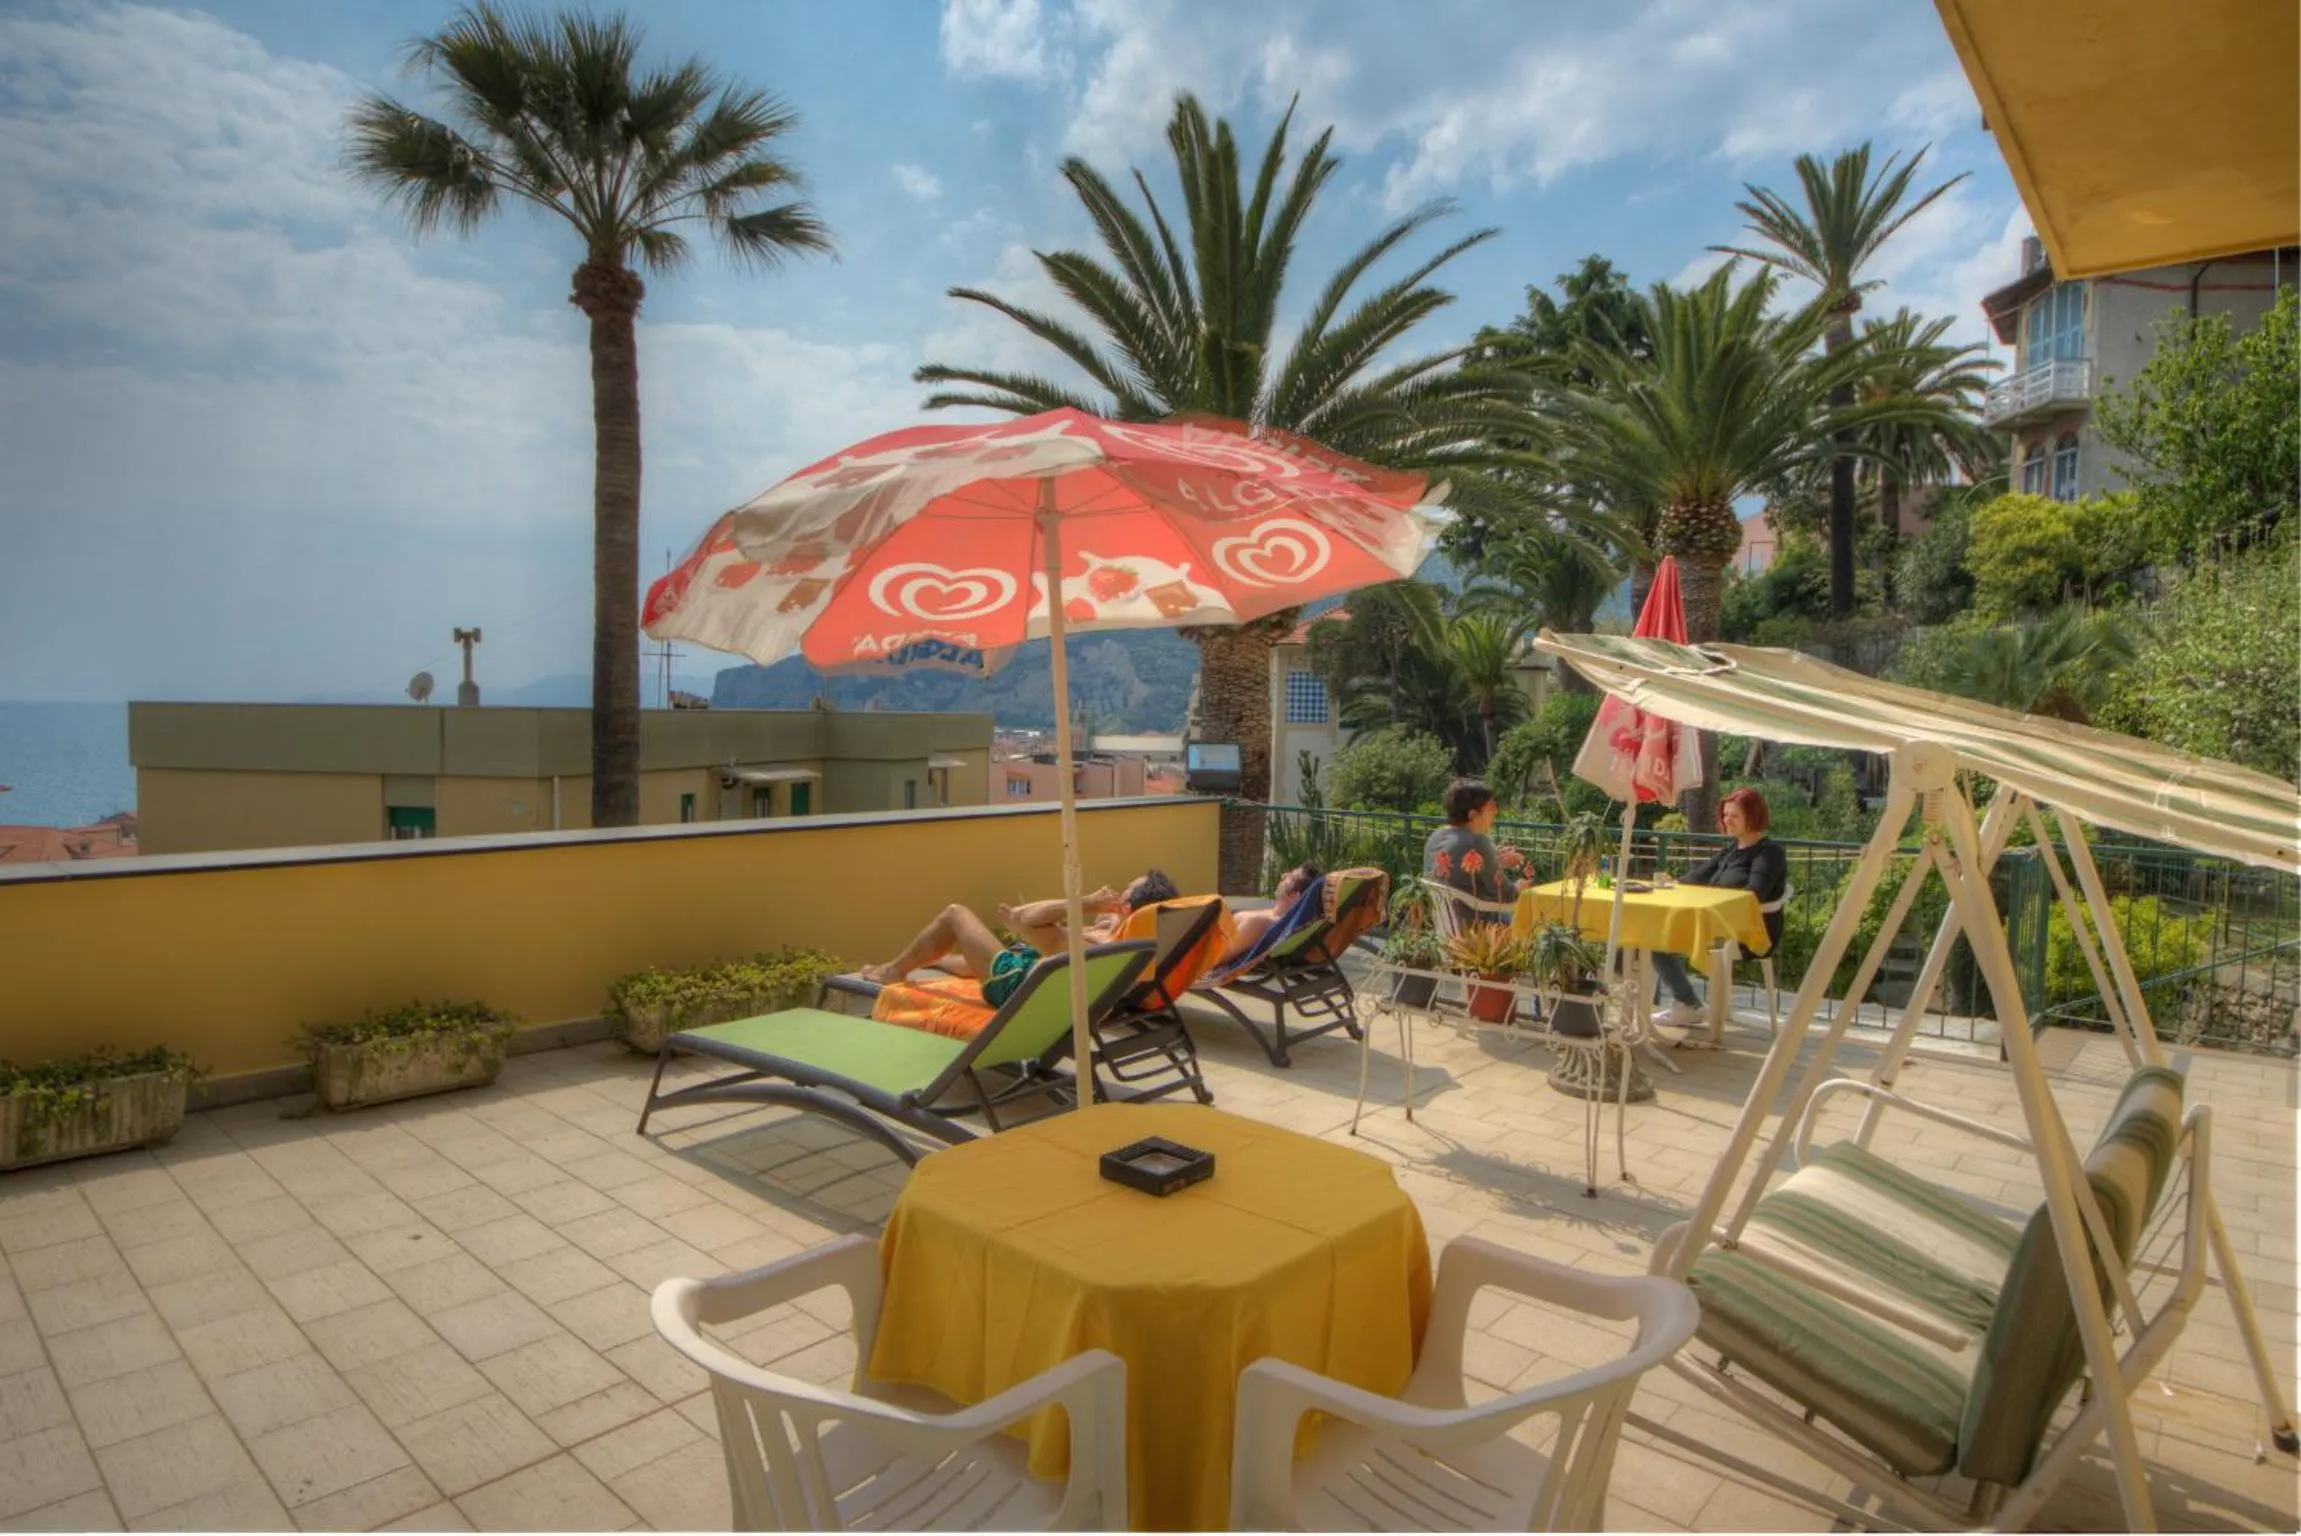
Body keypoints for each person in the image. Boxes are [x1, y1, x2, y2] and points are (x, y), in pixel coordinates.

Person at [860, 869, 1182, 1007]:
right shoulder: (1133, 945)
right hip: (1036, 975)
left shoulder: (1099, 948)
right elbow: (1023, 919)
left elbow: (1027, 919)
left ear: (1128, 906)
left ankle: (893, 972)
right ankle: (929, 958)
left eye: (1126, 888)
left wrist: (1088, 903)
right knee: (959, 956)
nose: (1118, 889)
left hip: (1017, 986)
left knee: (955, 914)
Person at [1651, 788, 1788, 1029]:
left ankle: (1688, 1005)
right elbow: (1700, 875)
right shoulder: (1733, 849)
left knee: (1661, 945)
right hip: (1719, 924)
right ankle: (1689, 1004)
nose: (1727, 820)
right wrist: (1671, 884)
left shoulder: (1769, 853)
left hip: (1751, 932)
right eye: (1725, 815)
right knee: (1656, 939)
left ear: (1753, 817)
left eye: (1734, 816)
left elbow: (1754, 894)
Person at [1422, 779, 1528, 907]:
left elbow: (1458, 873)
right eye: (1490, 807)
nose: (1495, 812)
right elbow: (1506, 895)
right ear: (1472, 814)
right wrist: (1521, 886)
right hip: (1479, 922)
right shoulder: (1476, 841)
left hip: (1445, 921)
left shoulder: (1436, 836)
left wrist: (1496, 862)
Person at [1222, 863, 1323, 961]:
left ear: (1294, 896)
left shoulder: (1258, 922)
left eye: (1290, 877)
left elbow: (1219, 957)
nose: (1283, 876)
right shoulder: (1272, 918)